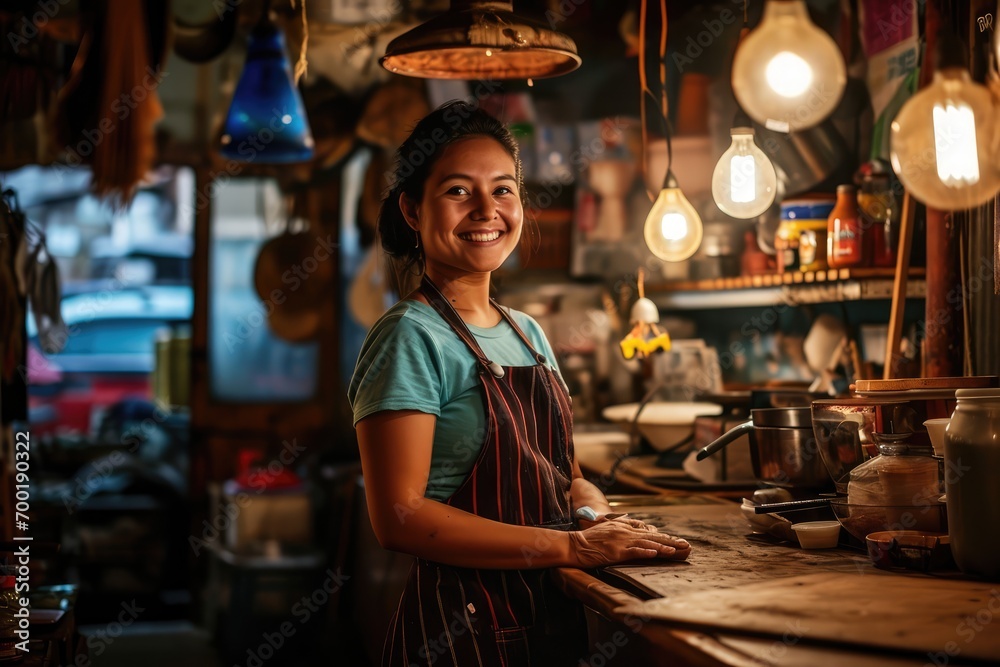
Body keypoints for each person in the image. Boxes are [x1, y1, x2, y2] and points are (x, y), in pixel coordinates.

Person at [348, 100, 691, 666]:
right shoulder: (410, 336)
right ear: (412, 209)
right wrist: (572, 546)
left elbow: (566, 477)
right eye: (459, 191)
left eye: (503, 190)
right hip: (461, 628)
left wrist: (596, 516)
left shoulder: (527, 331)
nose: (487, 209)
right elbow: (399, 518)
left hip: (548, 616)